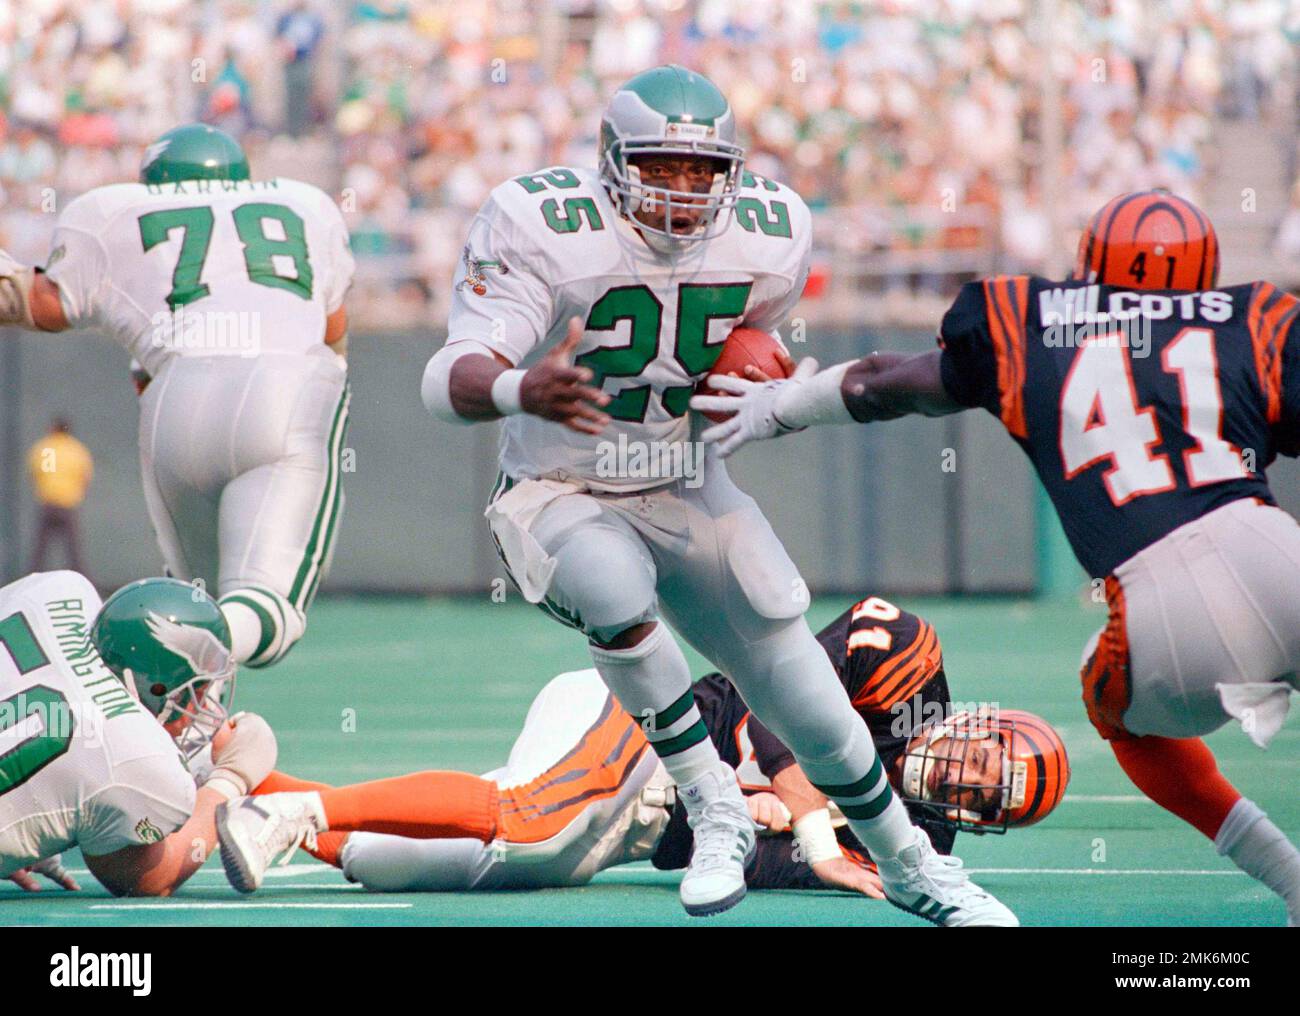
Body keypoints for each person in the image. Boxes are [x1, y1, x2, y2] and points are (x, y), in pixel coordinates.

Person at [418, 64, 1014, 924]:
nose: (684, 189)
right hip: (557, 485)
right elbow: (445, 379)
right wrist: (519, 387)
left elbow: (740, 348)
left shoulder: (769, 231)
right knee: (612, 587)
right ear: (614, 160)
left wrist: (751, 374)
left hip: (683, 477)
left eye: (703, 170)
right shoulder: (540, 221)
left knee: (800, 680)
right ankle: (713, 803)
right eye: (662, 165)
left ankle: (913, 866)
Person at [692, 189, 1300, 926]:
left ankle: (1289, 877)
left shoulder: (1033, 321)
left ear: (1091, 261)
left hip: (1158, 613)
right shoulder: (1258, 317)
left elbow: (891, 384)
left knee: (1122, 720)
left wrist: (780, 407)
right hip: (1274, 551)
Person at [216, 595, 1066, 911]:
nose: (966, 782)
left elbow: (742, 866)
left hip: (640, 824)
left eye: (988, 800)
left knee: (414, 866)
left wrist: (770, 834)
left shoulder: (918, 845)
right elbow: (775, 688)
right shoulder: (904, 659)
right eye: (986, 762)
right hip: (654, 729)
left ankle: (250, 784)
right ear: (979, 723)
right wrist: (804, 814)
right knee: (532, 821)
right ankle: (302, 812)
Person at [0, 123, 356, 670]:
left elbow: (45, 305)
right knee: (265, 610)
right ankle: (131, 643)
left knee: (199, 604)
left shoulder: (115, 210)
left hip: (173, 400)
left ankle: (161, 715)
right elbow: (331, 330)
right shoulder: (305, 204)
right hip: (285, 388)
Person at [0, 571, 277, 896]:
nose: (203, 708)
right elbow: (150, 878)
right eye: (199, 691)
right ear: (155, 688)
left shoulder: (57, 590)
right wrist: (230, 778)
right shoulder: (136, 757)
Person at [27, 417, 93, 576]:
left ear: (53, 429)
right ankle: (80, 580)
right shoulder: (76, 449)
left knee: (40, 550)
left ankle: (31, 579)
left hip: (48, 502)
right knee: (74, 551)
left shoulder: (44, 447)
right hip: (68, 504)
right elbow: (85, 476)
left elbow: (35, 472)